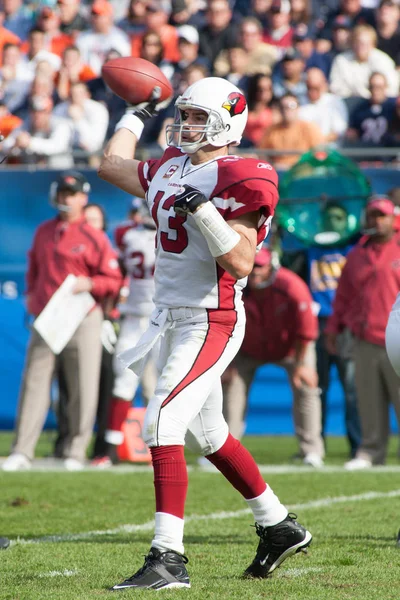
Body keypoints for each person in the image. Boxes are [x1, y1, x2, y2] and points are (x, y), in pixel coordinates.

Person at [98, 75, 312, 590]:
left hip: (210, 317)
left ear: (227, 122)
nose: (187, 124)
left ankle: (168, 558)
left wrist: (203, 209)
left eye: (198, 116)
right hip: (170, 318)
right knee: (210, 434)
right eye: (185, 114)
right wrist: (137, 111)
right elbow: (111, 164)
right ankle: (278, 524)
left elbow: (240, 262)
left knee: (159, 424)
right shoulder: (172, 166)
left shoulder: (243, 173)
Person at [2, 171, 123, 472]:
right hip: (49, 316)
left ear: (83, 197)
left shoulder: (94, 237)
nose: (66, 198)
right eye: (63, 193)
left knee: (83, 385)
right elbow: (34, 267)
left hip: (83, 318)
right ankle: (22, 450)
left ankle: (75, 450)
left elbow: (114, 279)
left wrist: (91, 284)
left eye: (72, 193)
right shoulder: (44, 230)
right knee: (34, 382)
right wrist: (30, 295)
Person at [222, 247, 324, 467]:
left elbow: (306, 329)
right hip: (247, 349)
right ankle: (224, 450)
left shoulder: (291, 285)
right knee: (230, 387)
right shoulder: (233, 285)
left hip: (291, 348)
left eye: (260, 266)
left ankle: (312, 450)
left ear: (271, 266)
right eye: (251, 266)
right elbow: (223, 323)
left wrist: (300, 364)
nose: (255, 271)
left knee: (306, 386)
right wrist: (226, 361)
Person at [326, 196, 400, 469]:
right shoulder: (356, 254)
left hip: (396, 339)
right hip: (364, 338)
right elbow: (343, 296)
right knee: (368, 400)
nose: (377, 221)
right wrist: (334, 328)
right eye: (372, 216)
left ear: (393, 219)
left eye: (382, 216)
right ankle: (370, 451)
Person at [92, 198, 158, 467]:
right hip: (136, 317)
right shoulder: (128, 234)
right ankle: (110, 448)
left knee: (162, 386)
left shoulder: (126, 233)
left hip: (165, 318)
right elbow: (117, 271)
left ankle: (163, 448)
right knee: (124, 382)